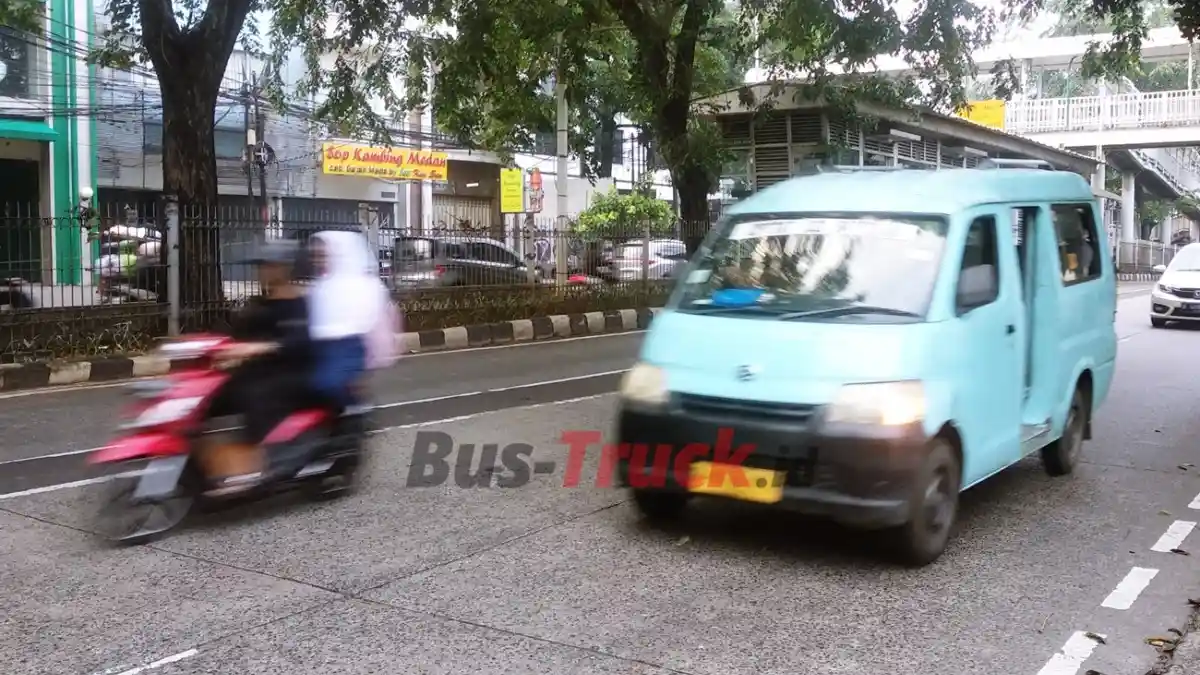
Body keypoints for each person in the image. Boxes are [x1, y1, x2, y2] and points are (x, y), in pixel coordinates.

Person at [203, 240, 313, 496]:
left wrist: (259, 349)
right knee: (208, 398)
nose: (263, 272)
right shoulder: (260, 303)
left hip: (288, 373)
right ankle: (205, 464)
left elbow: (299, 343)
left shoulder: (298, 303)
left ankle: (258, 466)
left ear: (284, 269)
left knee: (256, 396)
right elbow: (236, 336)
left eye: (269, 266)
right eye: (261, 267)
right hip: (254, 371)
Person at [306, 230, 391, 409]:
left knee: (327, 384)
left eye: (322, 254)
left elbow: (371, 324)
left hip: (350, 347)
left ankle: (356, 410)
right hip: (321, 348)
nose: (317, 260)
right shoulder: (322, 285)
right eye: (315, 255)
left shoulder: (364, 286)